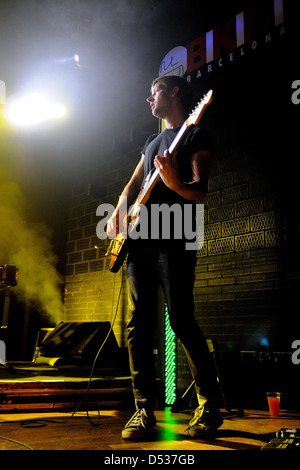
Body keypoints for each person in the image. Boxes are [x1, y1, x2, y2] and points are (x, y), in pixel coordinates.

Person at [106, 75, 223, 440]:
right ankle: (143, 410)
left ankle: (209, 407)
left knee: (182, 321)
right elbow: (135, 181)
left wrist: (174, 183)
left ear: (174, 93)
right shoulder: (151, 140)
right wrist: (118, 212)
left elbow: (198, 193)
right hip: (139, 242)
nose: (147, 99)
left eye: (153, 92)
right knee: (137, 325)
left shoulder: (196, 135)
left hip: (176, 239)